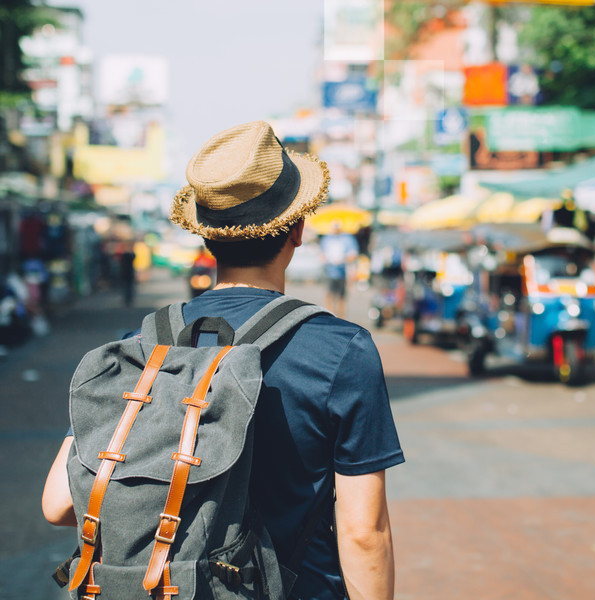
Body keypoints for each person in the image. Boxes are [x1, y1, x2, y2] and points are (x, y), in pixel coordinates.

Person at [42, 120, 404, 600]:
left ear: (206, 237)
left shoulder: (143, 346)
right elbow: (364, 532)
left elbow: (58, 504)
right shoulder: (341, 350)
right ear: (297, 229)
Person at [320, 220, 359, 317]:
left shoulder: (347, 238)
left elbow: (353, 253)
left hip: (342, 271)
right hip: (329, 271)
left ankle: (341, 318)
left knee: (342, 296)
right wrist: (329, 259)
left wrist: (343, 259)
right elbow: (321, 254)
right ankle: (328, 317)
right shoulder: (326, 238)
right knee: (329, 295)